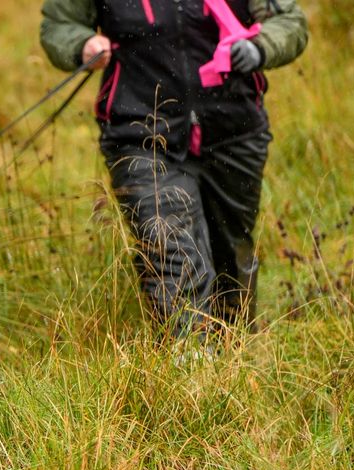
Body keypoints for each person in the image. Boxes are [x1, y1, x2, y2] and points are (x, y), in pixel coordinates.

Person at [40, 0, 308, 340]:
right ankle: (187, 367)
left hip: (234, 130)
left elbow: (289, 21)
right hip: (141, 132)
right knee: (171, 251)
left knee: (232, 252)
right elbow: (58, 26)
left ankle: (233, 359)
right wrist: (82, 45)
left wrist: (260, 47)